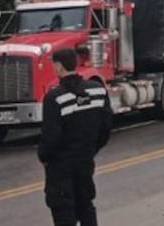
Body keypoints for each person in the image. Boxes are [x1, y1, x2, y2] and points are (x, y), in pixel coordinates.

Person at [39, 49, 113, 226]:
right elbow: (106, 128)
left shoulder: (54, 98)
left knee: (63, 209)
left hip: (61, 166)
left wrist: (44, 157)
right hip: (85, 160)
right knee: (86, 205)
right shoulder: (98, 91)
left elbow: (50, 137)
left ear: (58, 67)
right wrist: (90, 150)